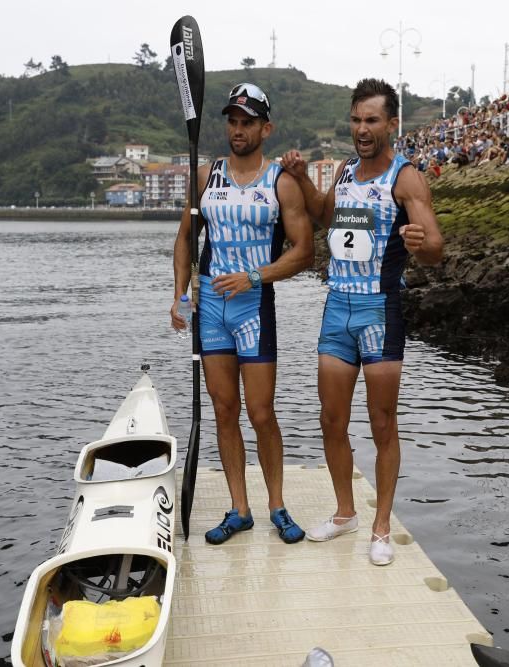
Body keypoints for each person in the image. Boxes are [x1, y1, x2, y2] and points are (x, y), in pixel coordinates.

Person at [280, 78, 444, 566]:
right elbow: (325, 217)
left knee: (382, 423)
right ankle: (346, 512)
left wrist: (421, 244)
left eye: (371, 120)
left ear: (391, 124)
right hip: (338, 307)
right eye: (355, 120)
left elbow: (436, 247)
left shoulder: (406, 177)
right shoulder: (348, 169)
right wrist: (303, 178)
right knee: (331, 419)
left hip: (380, 308)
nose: (362, 129)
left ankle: (381, 527)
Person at [170, 82, 314, 545]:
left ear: (265, 128)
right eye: (232, 121)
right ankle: (239, 508)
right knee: (224, 409)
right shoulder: (206, 175)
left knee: (261, 412)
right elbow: (185, 240)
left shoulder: (281, 182)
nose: (237, 129)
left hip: (253, 307)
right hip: (210, 308)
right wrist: (179, 295)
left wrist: (255, 277)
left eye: (247, 122)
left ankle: (277, 505)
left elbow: (305, 252)